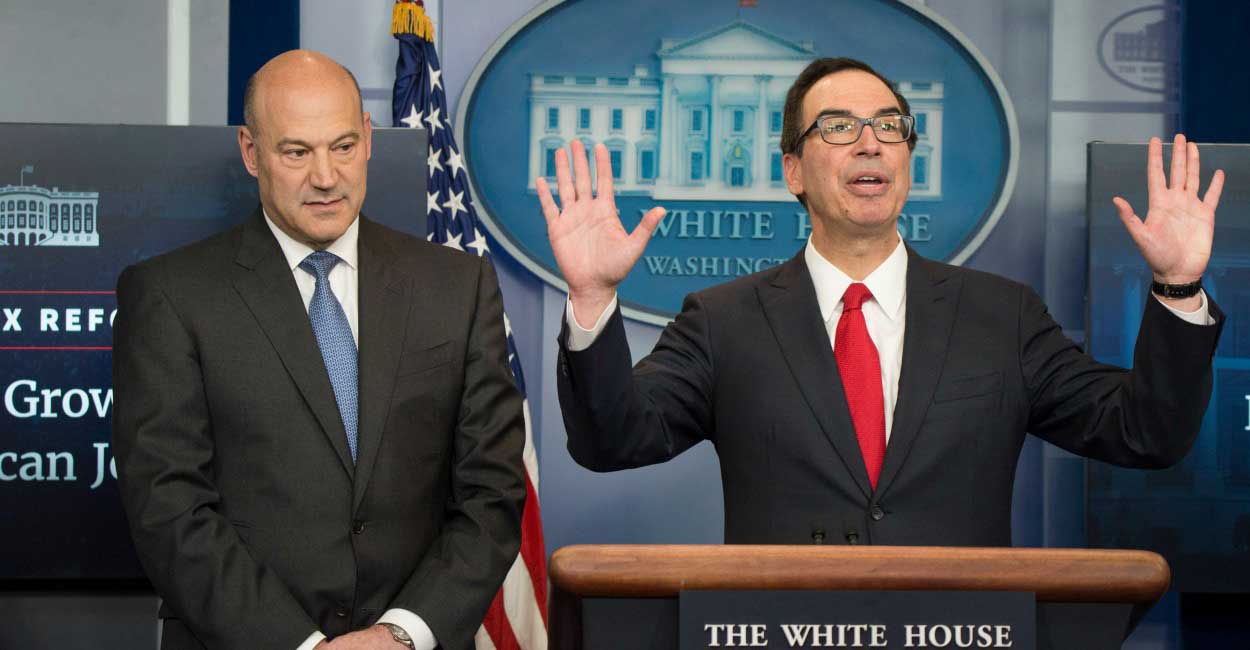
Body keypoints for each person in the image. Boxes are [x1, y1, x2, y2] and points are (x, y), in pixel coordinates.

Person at [536, 57, 1226, 546]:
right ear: (793, 170)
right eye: (838, 127)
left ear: (907, 159)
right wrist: (593, 297)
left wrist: (1177, 288)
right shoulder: (723, 322)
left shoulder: (1002, 316)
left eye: (890, 126)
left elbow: (1145, 434)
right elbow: (613, 441)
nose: (870, 143)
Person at [113, 50, 525, 650]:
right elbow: (170, 507)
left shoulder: (457, 287)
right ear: (251, 152)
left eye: (343, 146)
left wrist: (398, 635)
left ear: (368, 139)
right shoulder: (170, 296)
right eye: (296, 152)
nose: (326, 177)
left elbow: (492, 494)